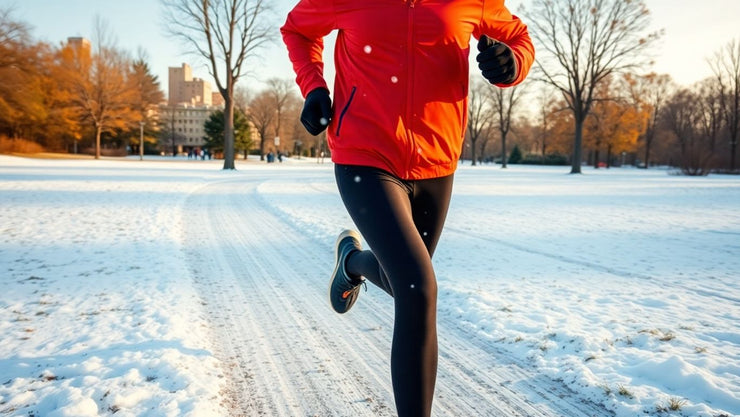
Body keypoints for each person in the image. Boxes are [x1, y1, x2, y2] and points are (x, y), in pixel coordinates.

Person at [281, 2, 533, 416]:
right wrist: (314, 86)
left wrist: (513, 62)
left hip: (437, 161)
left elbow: (518, 39)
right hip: (364, 154)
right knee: (419, 288)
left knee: (405, 283)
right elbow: (297, 30)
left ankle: (354, 264)